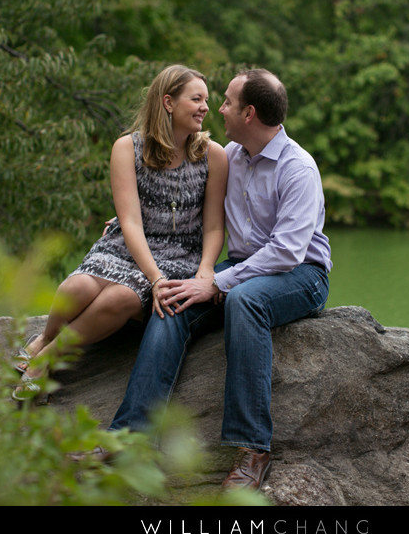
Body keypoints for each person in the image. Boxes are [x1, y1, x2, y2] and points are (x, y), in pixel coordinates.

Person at [108, 68, 331, 490]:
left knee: (244, 300)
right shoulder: (229, 155)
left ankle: (253, 449)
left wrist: (216, 283)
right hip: (244, 266)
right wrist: (128, 222)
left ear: (248, 113)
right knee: (173, 297)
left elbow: (287, 252)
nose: (217, 108)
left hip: (302, 274)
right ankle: (130, 437)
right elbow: (192, 209)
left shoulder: (298, 168)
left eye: (226, 101)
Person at [13, 65, 228, 401]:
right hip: (127, 244)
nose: (205, 107)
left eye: (207, 100)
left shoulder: (213, 155)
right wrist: (154, 278)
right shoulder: (127, 148)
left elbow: (215, 225)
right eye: (196, 99)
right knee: (77, 286)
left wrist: (205, 270)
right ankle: (43, 339)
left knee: (122, 297)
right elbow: (130, 222)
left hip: (178, 253)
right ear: (168, 102)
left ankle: (46, 360)